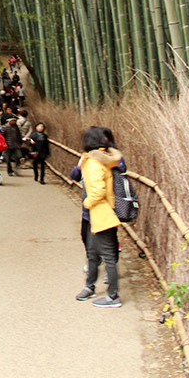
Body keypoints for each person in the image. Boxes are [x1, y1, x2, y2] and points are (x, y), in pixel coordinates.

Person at [75, 126, 123, 308]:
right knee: (92, 253)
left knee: (108, 256)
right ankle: (90, 286)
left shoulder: (94, 161)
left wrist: (87, 203)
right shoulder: (106, 157)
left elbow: (97, 192)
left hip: (100, 214)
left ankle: (113, 296)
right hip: (102, 213)